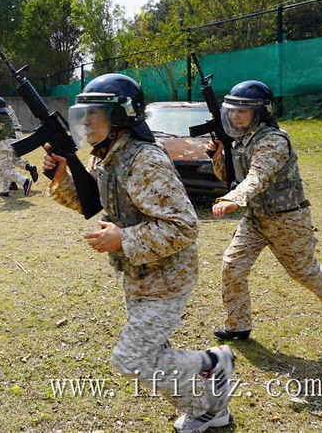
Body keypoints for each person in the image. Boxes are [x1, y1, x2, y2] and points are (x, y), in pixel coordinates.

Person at [42, 74, 236, 432]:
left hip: (167, 277)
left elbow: (183, 227)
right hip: (139, 274)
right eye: (84, 113)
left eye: (94, 113)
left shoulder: (144, 159)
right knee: (154, 354)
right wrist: (62, 179)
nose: (86, 121)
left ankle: (214, 362)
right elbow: (94, 202)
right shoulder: (107, 157)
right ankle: (208, 411)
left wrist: (123, 239)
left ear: (119, 117)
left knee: (131, 359)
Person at [208, 80, 322, 340]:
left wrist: (235, 198)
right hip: (255, 219)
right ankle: (238, 325)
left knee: (303, 271)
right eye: (232, 110)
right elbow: (228, 176)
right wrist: (218, 155)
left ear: (260, 113)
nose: (235, 115)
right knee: (232, 266)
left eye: (242, 111)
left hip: (287, 219)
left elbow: (259, 176)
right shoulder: (239, 141)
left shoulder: (274, 140)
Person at [0, 90, 38, 189]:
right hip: (16, 134)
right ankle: (26, 169)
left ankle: (15, 182)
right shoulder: (5, 107)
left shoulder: (2, 110)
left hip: (12, 135)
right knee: (13, 159)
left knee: (7, 160)